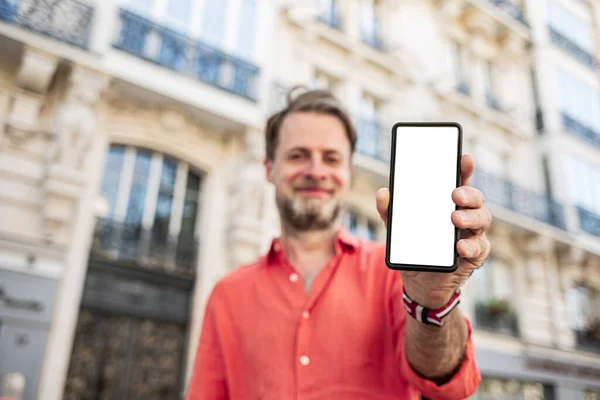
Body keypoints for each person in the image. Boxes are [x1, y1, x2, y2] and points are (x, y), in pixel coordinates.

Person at [186, 87, 492, 400]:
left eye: (331, 158)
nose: (316, 171)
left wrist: (432, 302)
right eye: (297, 156)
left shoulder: (395, 274)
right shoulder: (227, 296)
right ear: (269, 169)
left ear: (348, 172)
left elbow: (447, 382)